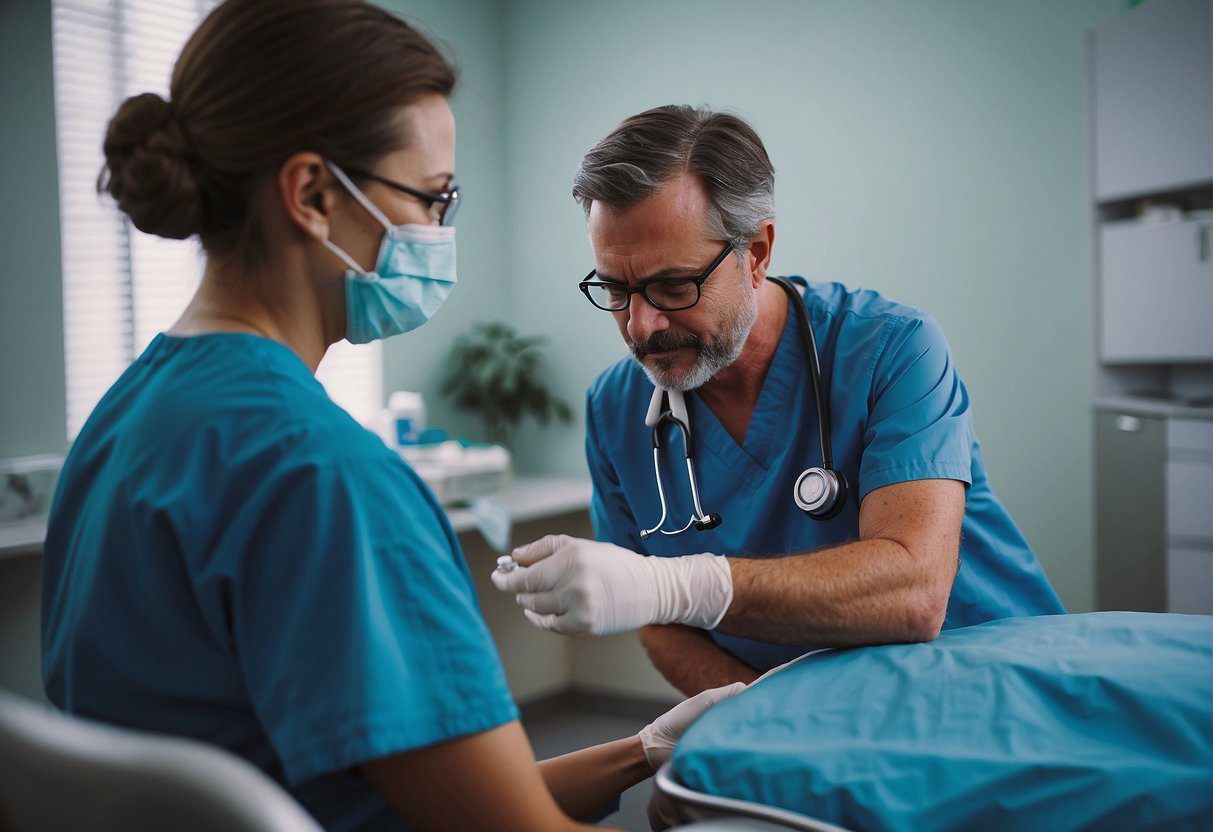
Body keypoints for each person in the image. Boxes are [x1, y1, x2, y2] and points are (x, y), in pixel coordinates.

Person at [40, 6, 742, 830]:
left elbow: (416, 804)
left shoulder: (123, 419)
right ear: (309, 194)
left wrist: (645, 751)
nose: (440, 231)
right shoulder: (324, 477)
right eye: (432, 197)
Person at [492, 105, 1066, 696]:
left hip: (990, 695)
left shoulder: (892, 350)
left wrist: (683, 585)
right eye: (615, 288)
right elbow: (660, 627)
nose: (641, 326)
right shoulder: (615, 408)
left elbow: (913, 592)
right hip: (803, 723)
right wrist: (771, 722)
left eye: (673, 285)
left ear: (758, 253)